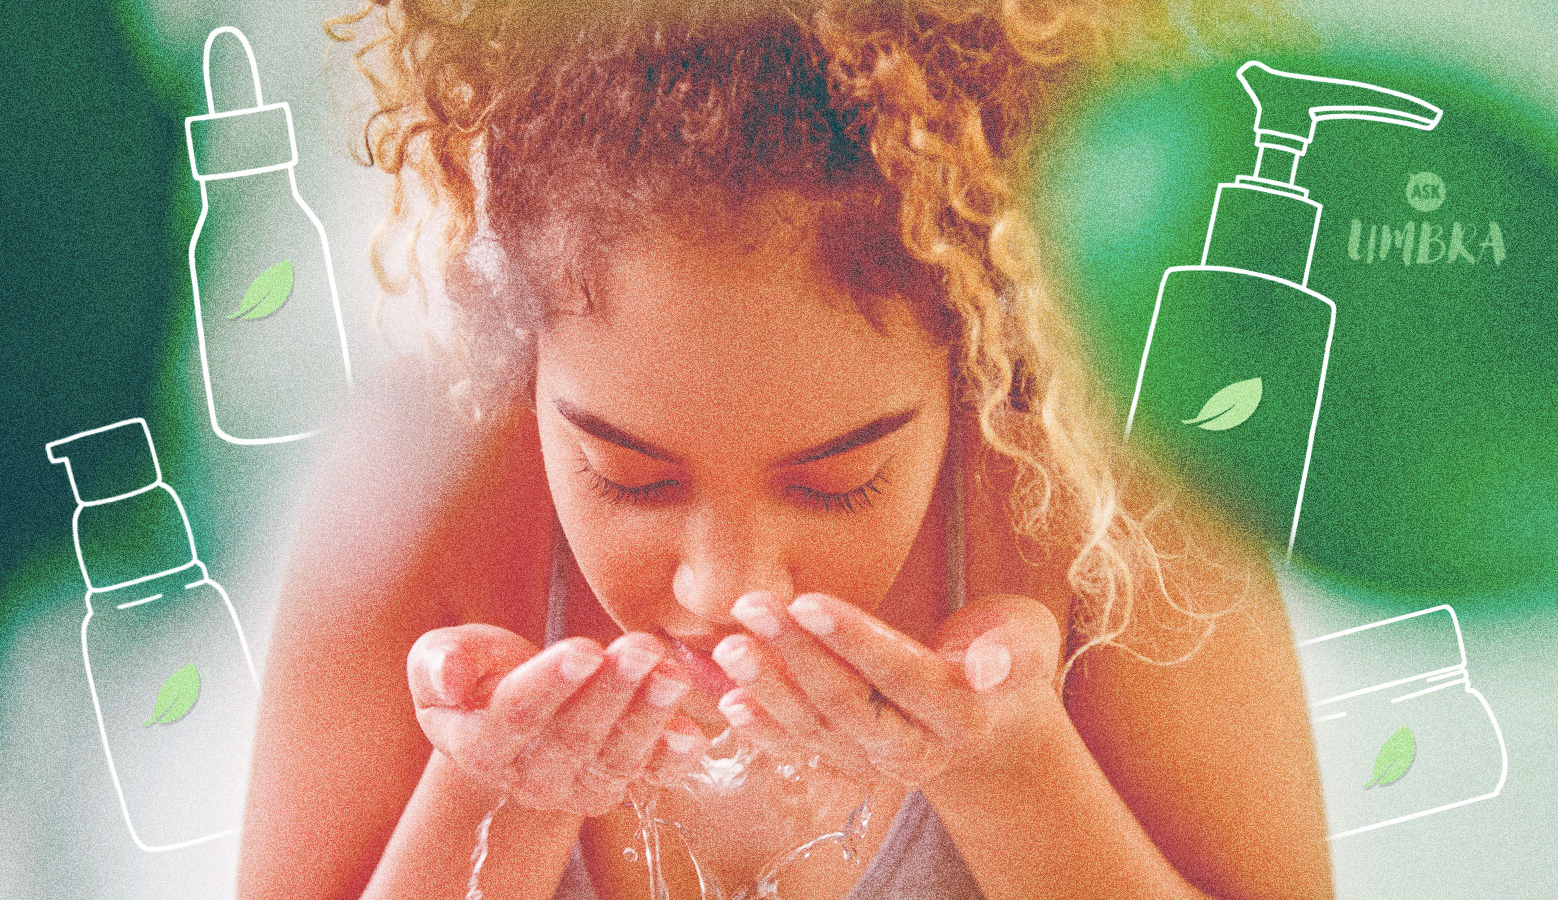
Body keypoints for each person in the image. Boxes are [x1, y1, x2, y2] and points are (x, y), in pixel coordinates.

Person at [237, 2, 1335, 898]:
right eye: (628, 475)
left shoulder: (1104, 502)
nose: (727, 588)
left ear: (972, 345)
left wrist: (1008, 774)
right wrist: (497, 800)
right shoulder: (421, 514)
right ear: (523, 355)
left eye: (837, 481)